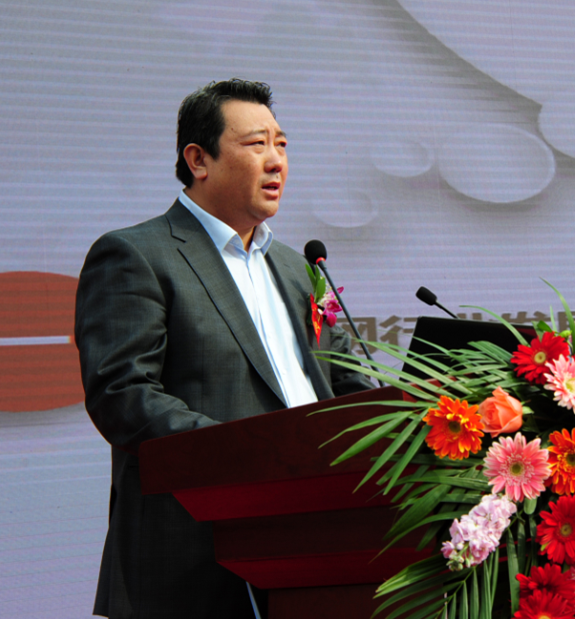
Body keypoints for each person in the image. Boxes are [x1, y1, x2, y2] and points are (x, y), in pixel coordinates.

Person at [74, 79, 372, 619]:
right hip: (194, 555)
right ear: (198, 160)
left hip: (317, 543)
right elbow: (123, 394)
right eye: (256, 145)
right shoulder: (137, 255)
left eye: (282, 145)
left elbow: (346, 384)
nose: (276, 161)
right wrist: (252, 458)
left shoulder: (299, 268)